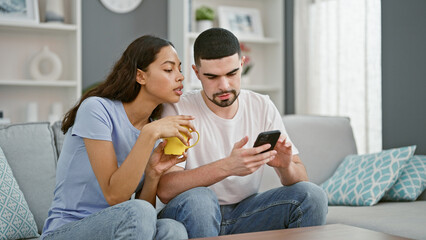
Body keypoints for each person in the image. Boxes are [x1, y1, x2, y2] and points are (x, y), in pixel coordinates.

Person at [157, 28, 328, 238]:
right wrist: (227, 166)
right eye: (212, 76)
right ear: (196, 72)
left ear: (242, 64)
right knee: (200, 200)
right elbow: (165, 189)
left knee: (313, 195)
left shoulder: (261, 105)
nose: (224, 86)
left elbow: (301, 177)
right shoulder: (178, 109)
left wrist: (286, 167)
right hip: (193, 211)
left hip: (247, 212)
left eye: (231, 73)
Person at [41, 35, 192, 240]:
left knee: (172, 229)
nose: (180, 76)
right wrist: (148, 135)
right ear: (141, 76)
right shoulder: (97, 109)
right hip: (67, 230)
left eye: (179, 69)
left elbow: (143, 219)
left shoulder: (153, 131)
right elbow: (115, 196)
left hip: (116, 226)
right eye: (168, 69)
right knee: (138, 212)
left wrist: (153, 174)